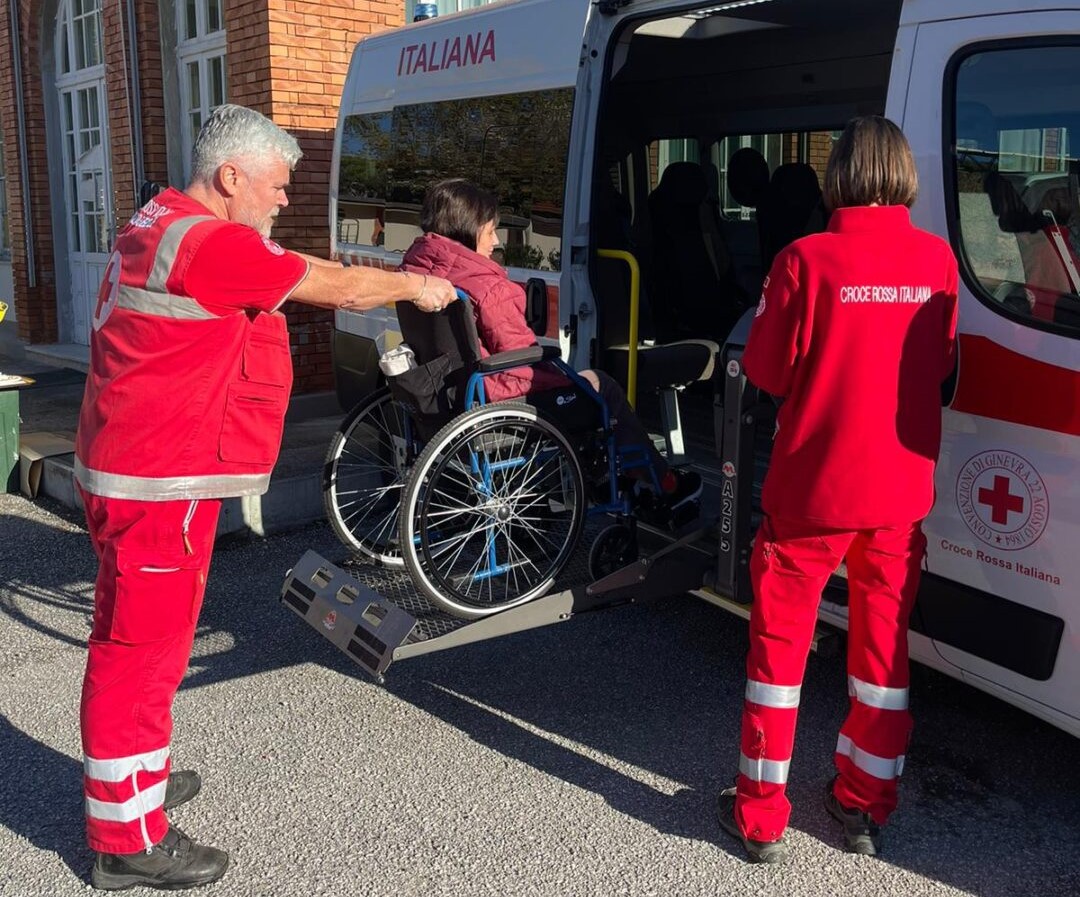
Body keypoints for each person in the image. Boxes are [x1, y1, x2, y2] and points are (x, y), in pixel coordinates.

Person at [74, 104, 455, 891]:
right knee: (140, 653)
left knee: (146, 640)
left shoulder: (162, 219)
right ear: (230, 178)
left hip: (131, 466)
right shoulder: (210, 246)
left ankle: (138, 780)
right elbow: (336, 285)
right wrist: (416, 285)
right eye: (277, 187)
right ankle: (127, 835)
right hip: (158, 479)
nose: (284, 201)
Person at [715, 116, 959, 863]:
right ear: (905, 174)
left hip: (811, 494)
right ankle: (862, 805)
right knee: (882, 658)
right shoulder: (939, 261)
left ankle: (759, 814)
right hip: (897, 496)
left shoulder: (804, 260)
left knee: (780, 653)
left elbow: (765, 371)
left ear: (839, 174)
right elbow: (943, 371)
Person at [399, 178, 701, 508]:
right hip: (497, 396)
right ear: (467, 228)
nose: (496, 241)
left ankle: (608, 476)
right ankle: (664, 483)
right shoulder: (486, 284)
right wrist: (562, 374)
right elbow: (521, 363)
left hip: (446, 394)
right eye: (490, 231)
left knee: (585, 387)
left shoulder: (415, 271)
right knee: (603, 389)